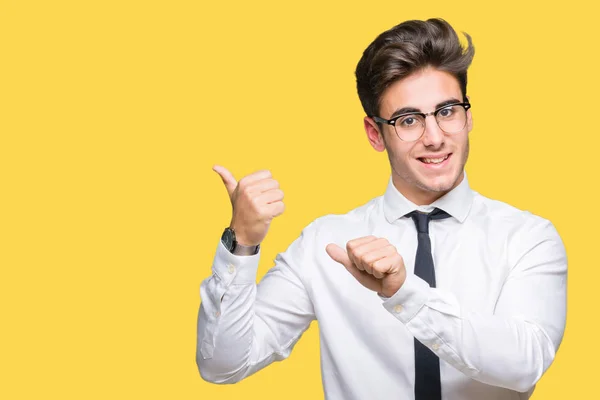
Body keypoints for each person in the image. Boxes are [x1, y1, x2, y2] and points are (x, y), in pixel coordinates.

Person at [196, 18, 567, 400]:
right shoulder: (326, 244)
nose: (435, 137)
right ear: (376, 134)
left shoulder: (527, 237)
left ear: (468, 116)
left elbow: (524, 364)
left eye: (447, 111)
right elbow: (223, 366)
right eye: (409, 120)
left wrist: (404, 293)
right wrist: (240, 242)